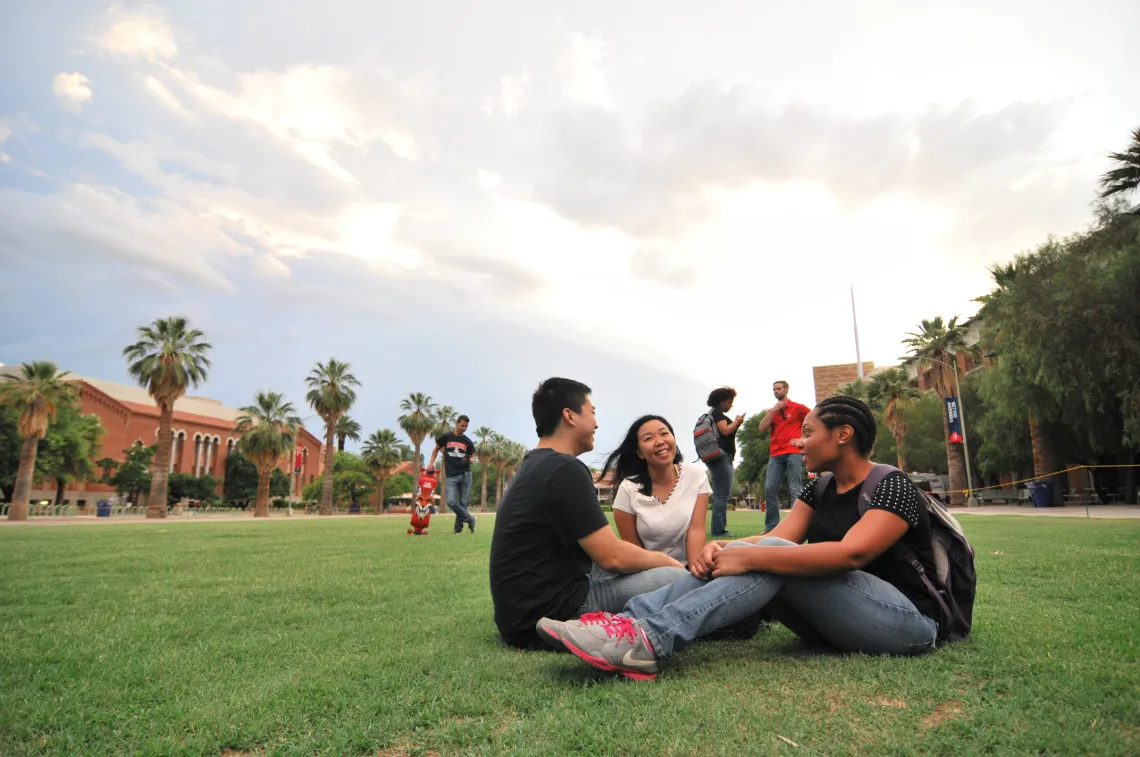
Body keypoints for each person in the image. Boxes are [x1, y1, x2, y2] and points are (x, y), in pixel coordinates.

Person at [539, 396, 941, 680]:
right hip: (842, 621)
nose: (797, 442)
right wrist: (723, 548)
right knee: (769, 550)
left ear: (843, 435)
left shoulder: (891, 484)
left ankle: (648, 638)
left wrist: (748, 555)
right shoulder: (818, 488)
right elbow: (779, 535)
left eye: (808, 432)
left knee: (768, 555)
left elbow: (851, 554)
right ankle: (627, 627)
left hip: (909, 623)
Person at [489, 378, 688, 649]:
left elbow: (599, 553)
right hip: (550, 615)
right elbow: (613, 557)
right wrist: (666, 561)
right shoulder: (564, 469)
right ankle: (621, 625)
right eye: (592, 412)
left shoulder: (534, 464)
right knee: (677, 578)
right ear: (569, 416)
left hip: (518, 615)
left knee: (639, 569)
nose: (596, 423)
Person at [602, 415, 711, 572]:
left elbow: (696, 530)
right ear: (639, 453)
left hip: (687, 569)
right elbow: (634, 548)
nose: (660, 441)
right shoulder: (628, 489)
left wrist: (694, 576)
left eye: (664, 433)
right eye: (648, 438)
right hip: (650, 572)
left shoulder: (695, 474)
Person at [756, 380, 810, 533]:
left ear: (786, 390)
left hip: (793, 452)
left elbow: (814, 420)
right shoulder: (772, 411)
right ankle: (771, 527)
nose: (776, 391)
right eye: (774, 389)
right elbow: (761, 428)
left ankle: (796, 527)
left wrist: (803, 439)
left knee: (795, 488)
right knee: (770, 487)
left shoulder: (798, 408)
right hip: (775, 454)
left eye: (779, 389)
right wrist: (773, 412)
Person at [705, 387, 745, 538]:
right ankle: (718, 530)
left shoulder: (711, 414)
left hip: (714, 457)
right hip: (722, 457)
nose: (731, 405)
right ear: (721, 400)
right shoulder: (717, 414)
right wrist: (737, 421)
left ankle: (718, 529)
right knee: (722, 495)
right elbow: (726, 431)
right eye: (729, 401)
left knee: (719, 495)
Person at [428, 415, 477, 534]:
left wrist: (471, 460)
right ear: (457, 423)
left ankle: (457, 530)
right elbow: (435, 449)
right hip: (451, 476)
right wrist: (431, 463)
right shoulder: (447, 437)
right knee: (451, 501)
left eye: (466, 426)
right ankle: (470, 519)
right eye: (462, 425)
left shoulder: (467, 441)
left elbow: (471, 456)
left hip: (466, 475)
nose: (464, 428)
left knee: (463, 503)